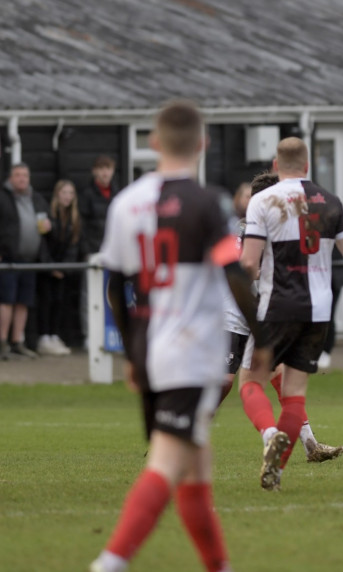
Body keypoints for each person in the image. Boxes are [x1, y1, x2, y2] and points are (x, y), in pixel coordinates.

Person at [90, 100, 265, 572]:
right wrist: (264, 341)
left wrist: (132, 354)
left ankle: (219, 565)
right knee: (168, 463)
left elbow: (115, 287)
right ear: (203, 144)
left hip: (152, 350)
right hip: (192, 353)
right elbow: (235, 276)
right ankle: (110, 561)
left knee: (196, 468)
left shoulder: (126, 204)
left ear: (153, 143)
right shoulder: (208, 204)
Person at [239, 136, 343, 491]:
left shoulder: (262, 201)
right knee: (294, 394)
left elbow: (250, 263)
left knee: (251, 381)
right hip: (317, 310)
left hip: (276, 306)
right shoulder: (330, 202)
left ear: (274, 165)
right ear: (308, 166)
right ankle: (276, 472)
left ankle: (270, 434)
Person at [0, 162, 51, 360]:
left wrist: (48, 225)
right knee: (6, 300)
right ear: (11, 178)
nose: (22, 179)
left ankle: (18, 341)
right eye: (18, 175)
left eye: (25, 175)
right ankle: (3, 343)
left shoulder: (36, 199)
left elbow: (46, 222)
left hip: (30, 260)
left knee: (23, 302)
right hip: (7, 259)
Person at [37, 180, 85, 356]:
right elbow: (41, 243)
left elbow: (74, 246)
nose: (67, 197)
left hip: (63, 269)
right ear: (57, 194)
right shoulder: (47, 216)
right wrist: (51, 267)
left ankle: (55, 336)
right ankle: (44, 337)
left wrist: (64, 267)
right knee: (46, 301)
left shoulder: (75, 219)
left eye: (71, 193)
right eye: (64, 193)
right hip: (46, 267)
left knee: (59, 301)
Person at [80, 154, 119, 255]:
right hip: (94, 251)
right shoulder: (87, 194)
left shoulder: (118, 194)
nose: (105, 173)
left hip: (114, 250)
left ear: (113, 171)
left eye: (108, 168)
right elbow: (81, 225)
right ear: (94, 171)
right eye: (101, 168)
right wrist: (87, 251)